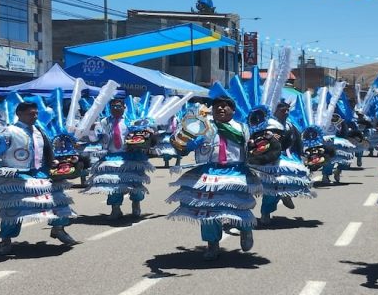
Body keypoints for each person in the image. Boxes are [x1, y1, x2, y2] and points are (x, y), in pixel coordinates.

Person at [168, 96, 261, 260]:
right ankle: (212, 245)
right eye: (217, 106)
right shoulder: (203, 127)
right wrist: (179, 144)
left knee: (239, 206)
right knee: (207, 210)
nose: (221, 109)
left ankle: (245, 230)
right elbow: (186, 147)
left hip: (236, 172)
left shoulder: (242, 128)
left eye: (225, 106)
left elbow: (255, 148)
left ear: (233, 110)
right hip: (210, 172)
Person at [0, 102, 78, 254]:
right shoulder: (9, 131)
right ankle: (6, 240)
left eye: (35, 114)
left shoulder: (39, 130)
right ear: (19, 114)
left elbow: (47, 149)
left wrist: (52, 161)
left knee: (58, 202)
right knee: (13, 209)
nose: (34, 116)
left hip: (40, 174)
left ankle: (58, 229)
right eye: (30, 114)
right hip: (17, 176)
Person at [83, 98, 152, 220]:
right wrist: (91, 129)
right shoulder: (104, 122)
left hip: (130, 157)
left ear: (124, 107)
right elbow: (96, 138)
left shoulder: (131, 120)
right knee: (114, 185)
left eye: (119, 106)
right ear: (110, 108)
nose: (116, 108)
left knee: (135, 183)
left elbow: (143, 136)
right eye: (113, 106)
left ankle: (136, 204)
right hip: (112, 156)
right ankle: (116, 209)